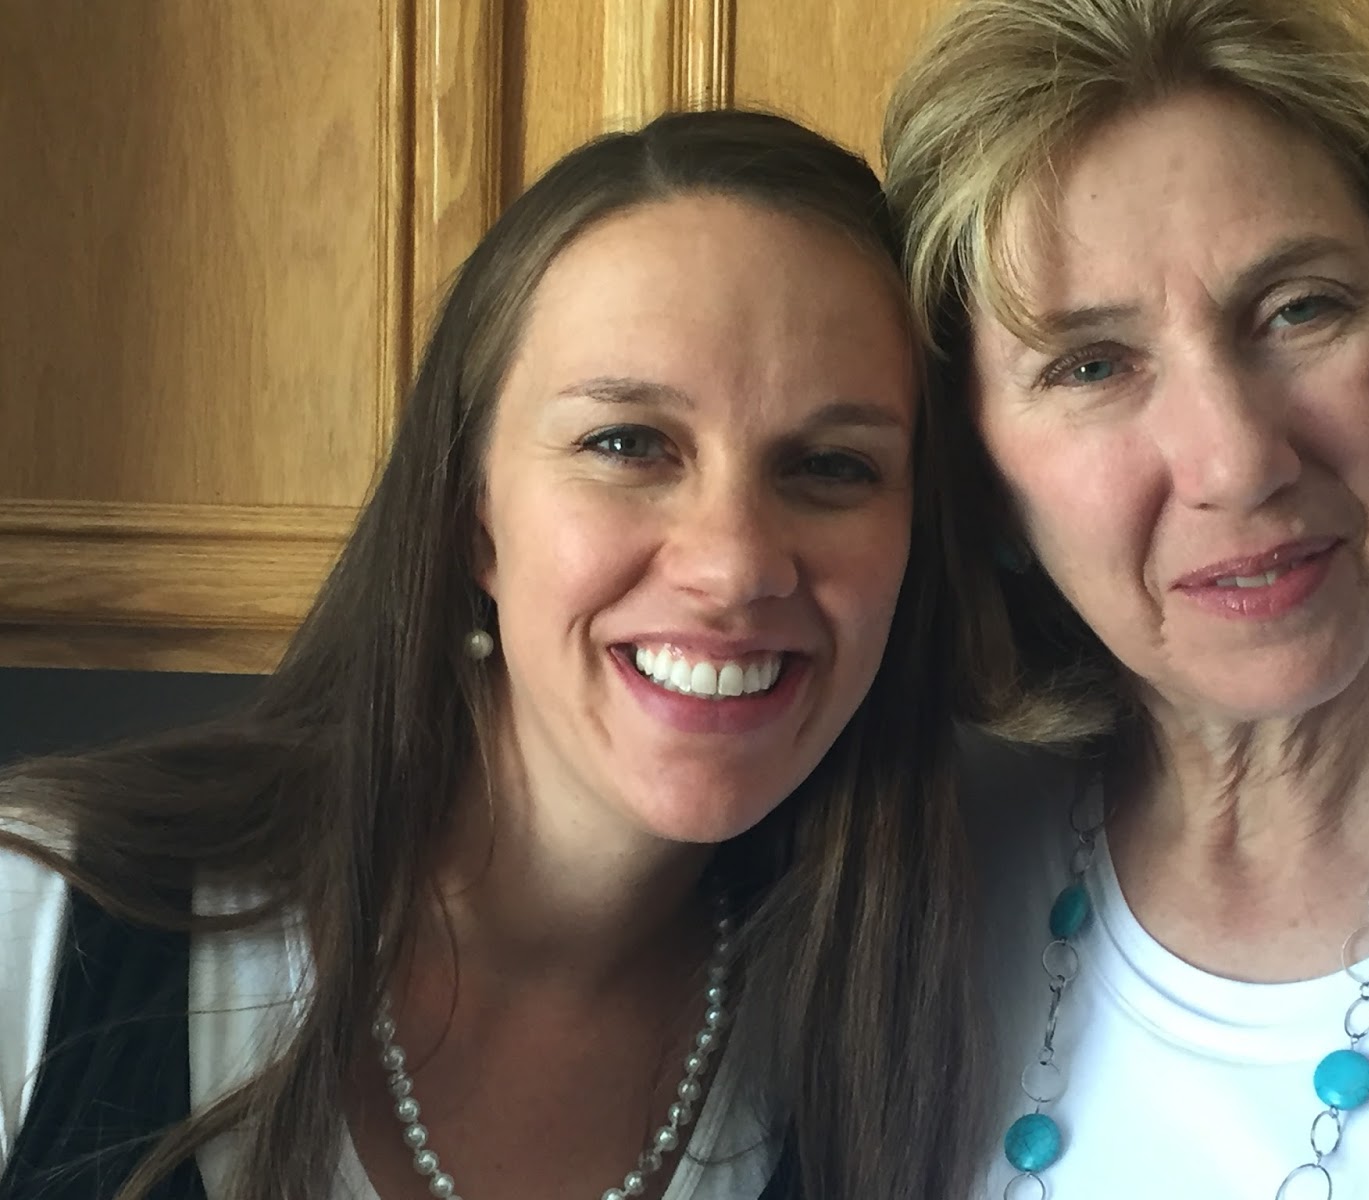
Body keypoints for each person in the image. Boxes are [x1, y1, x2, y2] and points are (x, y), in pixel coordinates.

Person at [0, 110, 983, 1200]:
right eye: (627, 443)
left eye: (833, 466)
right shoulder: (37, 918)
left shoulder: (901, 1045)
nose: (734, 565)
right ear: (472, 515)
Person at [883, 0, 1369, 1196]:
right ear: (976, 476)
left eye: (1299, 308)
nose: (1238, 461)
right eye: (1091, 365)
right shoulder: (915, 852)